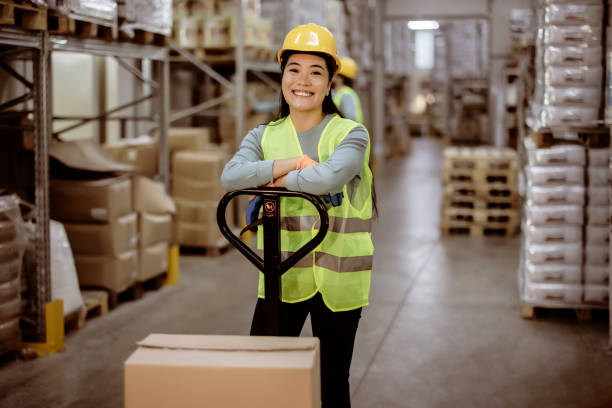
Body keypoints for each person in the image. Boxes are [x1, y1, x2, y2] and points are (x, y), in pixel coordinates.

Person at [221, 23, 374, 408]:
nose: (303, 80)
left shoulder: (351, 134)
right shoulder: (262, 135)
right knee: (266, 376)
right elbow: (231, 177)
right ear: (282, 76)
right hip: (281, 275)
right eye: (294, 69)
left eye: (316, 71)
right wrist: (293, 163)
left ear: (330, 82)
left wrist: (277, 178)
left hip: (339, 285)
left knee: (331, 382)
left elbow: (329, 178)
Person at [332, 56, 363, 123]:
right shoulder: (335, 92)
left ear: (341, 77)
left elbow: (350, 119)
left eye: (334, 73)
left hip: (350, 132)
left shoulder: (346, 94)